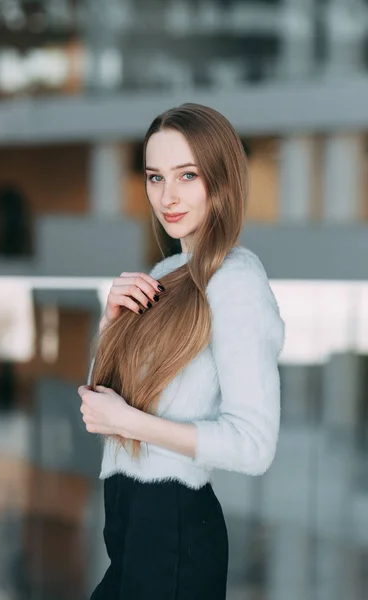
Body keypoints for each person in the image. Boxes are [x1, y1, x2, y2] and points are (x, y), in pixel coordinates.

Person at [78, 102, 285, 599]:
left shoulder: (236, 281)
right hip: (127, 526)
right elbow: (97, 409)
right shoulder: (161, 276)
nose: (167, 196)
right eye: (155, 177)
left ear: (222, 179)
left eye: (187, 175)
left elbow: (254, 446)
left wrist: (129, 422)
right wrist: (111, 325)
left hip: (172, 531)